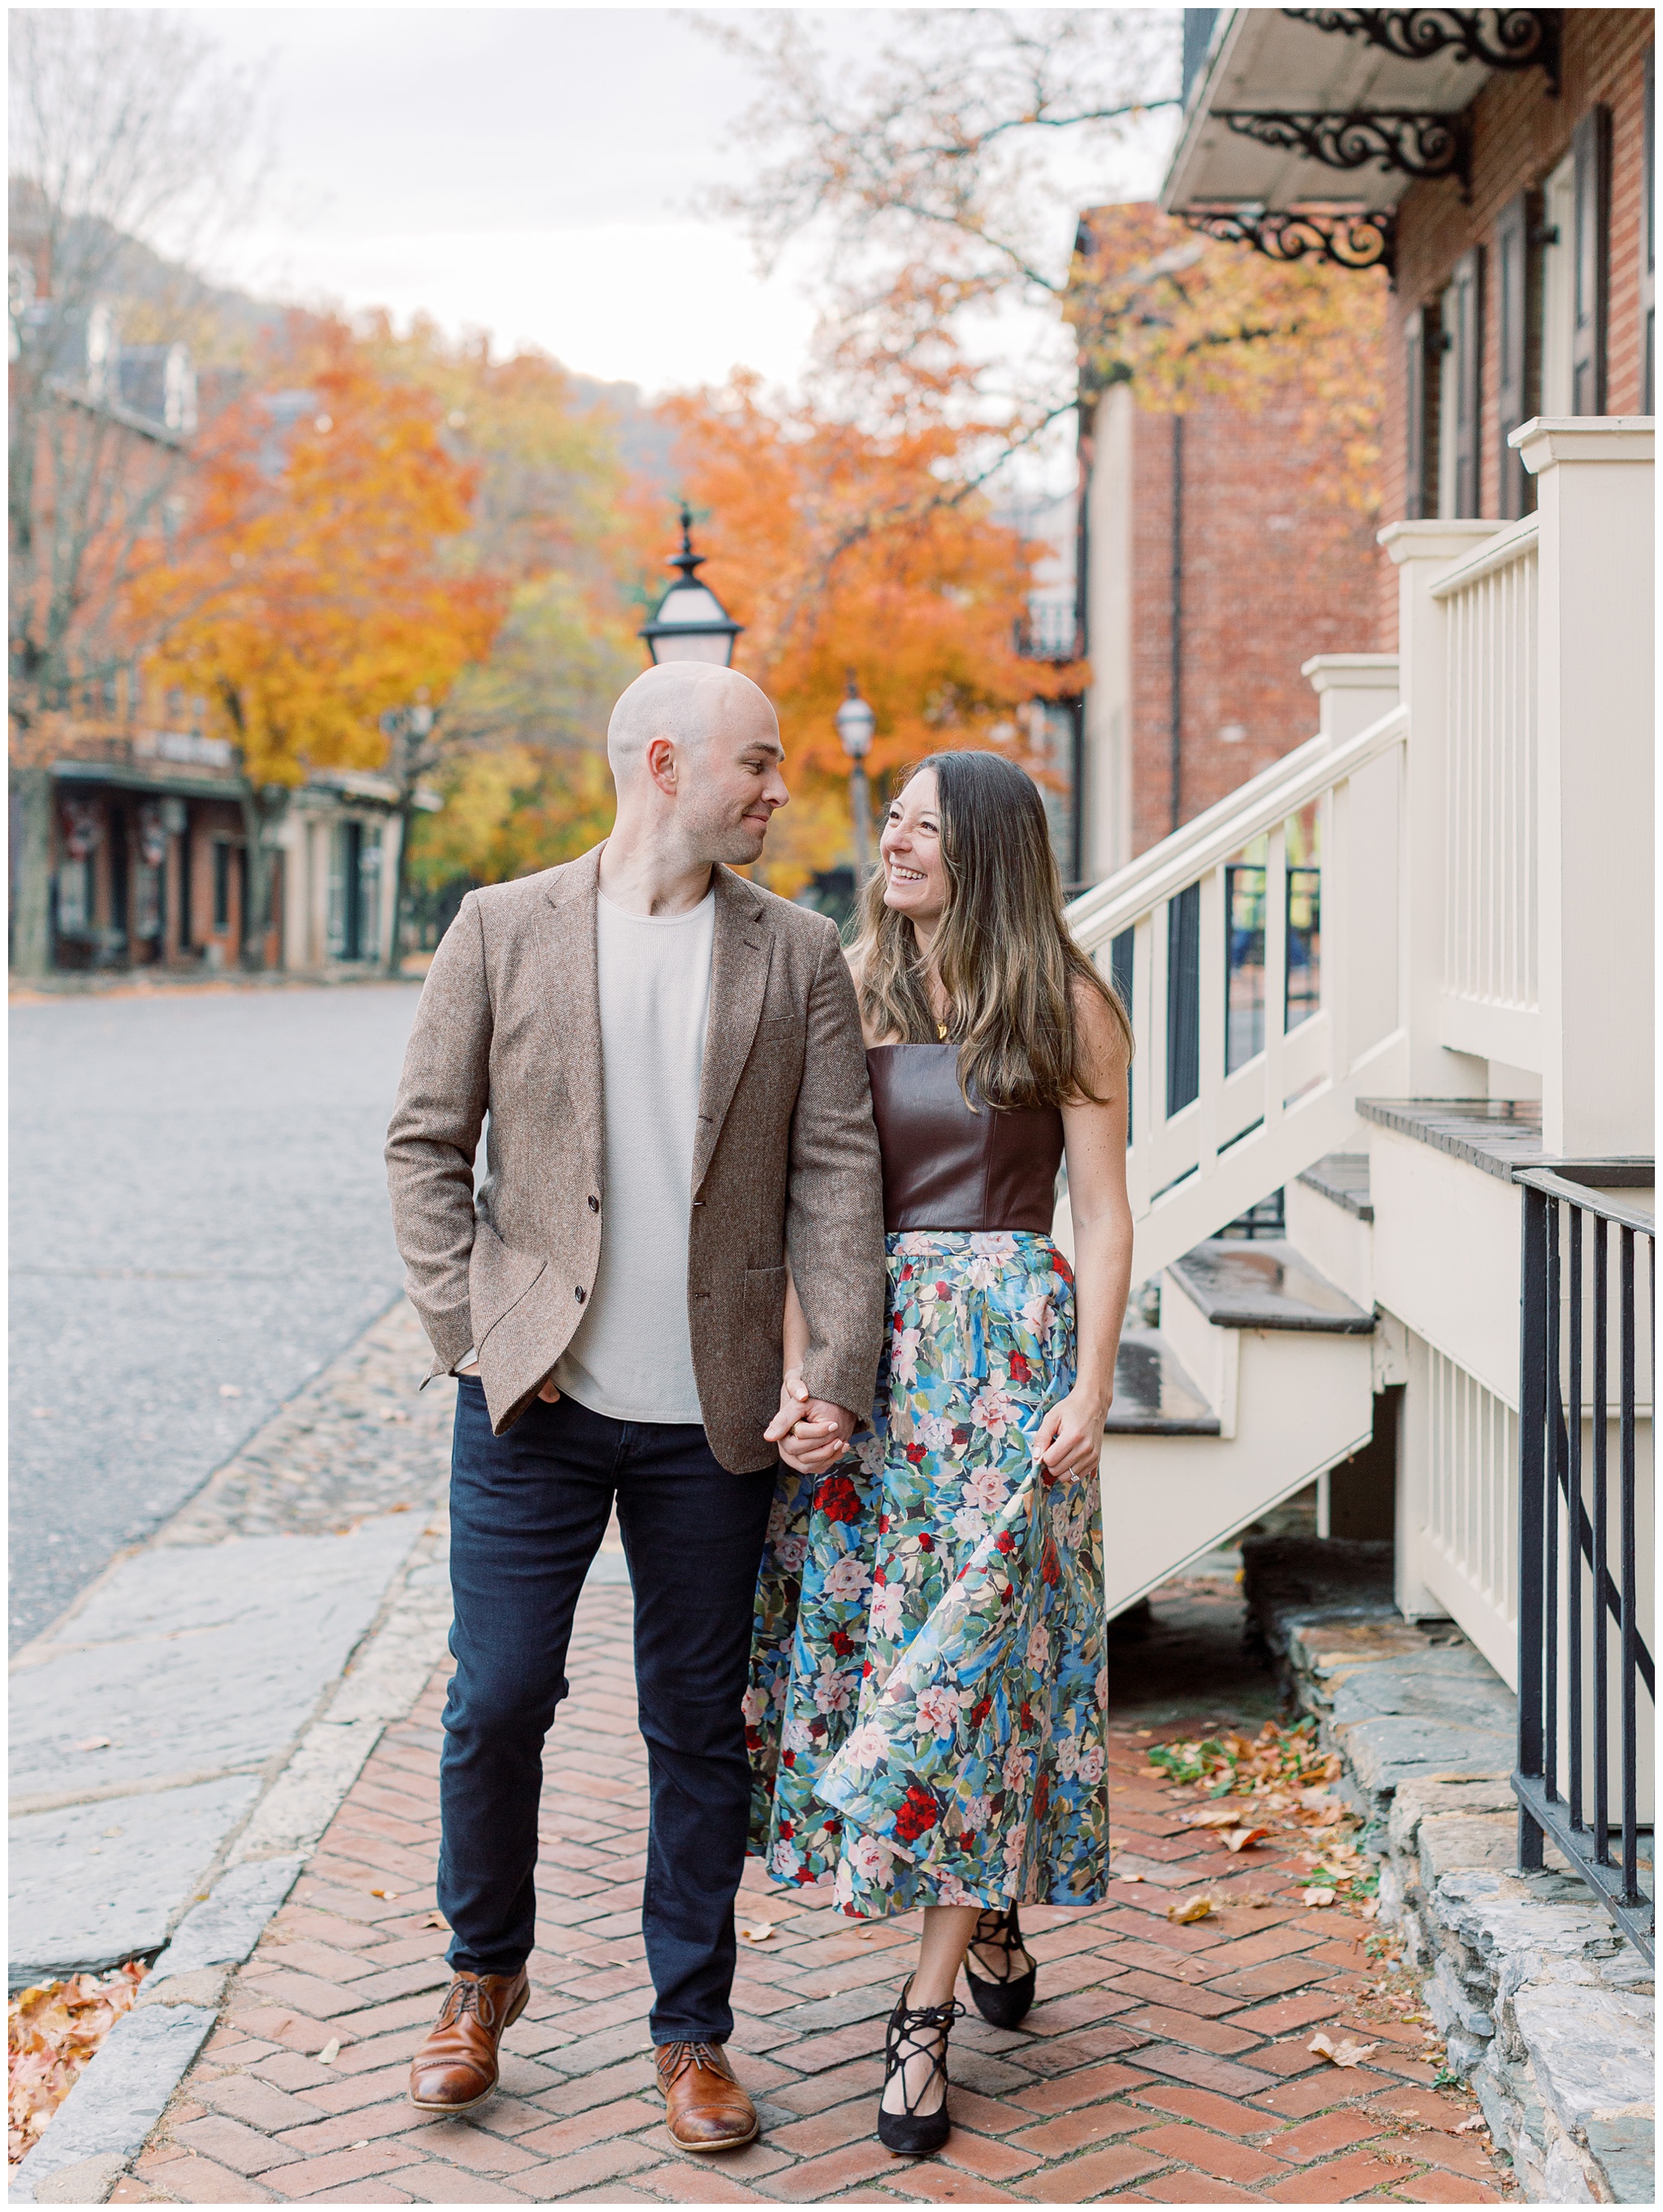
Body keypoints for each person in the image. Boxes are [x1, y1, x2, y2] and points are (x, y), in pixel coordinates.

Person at [385, 662, 886, 2152]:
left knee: (697, 1729)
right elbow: (424, 1147)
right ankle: (481, 1979)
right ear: (666, 762)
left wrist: (833, 1372)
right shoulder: (500, 925)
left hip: (715, 1425)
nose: (779, 790)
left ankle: (693, 2036)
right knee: (496, 1701)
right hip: (531, 1403)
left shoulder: (798, 954)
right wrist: (475, 1332)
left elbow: (837, 1177)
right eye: (761, 764)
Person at [748, 750, 1134, 2155]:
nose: (892, 841)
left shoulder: (1072, 1009)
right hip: (879, 1364)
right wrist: (806, 1370)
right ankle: (993, 1905)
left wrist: (1091, 1387)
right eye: (892, 820)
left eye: (919, 824)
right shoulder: (850, 987)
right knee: (897, 1666)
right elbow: (804, 1199)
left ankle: (922, 2018)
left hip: (1013, 1370)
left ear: (983, 849)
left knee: (977, 1675)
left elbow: (1102, 1213)